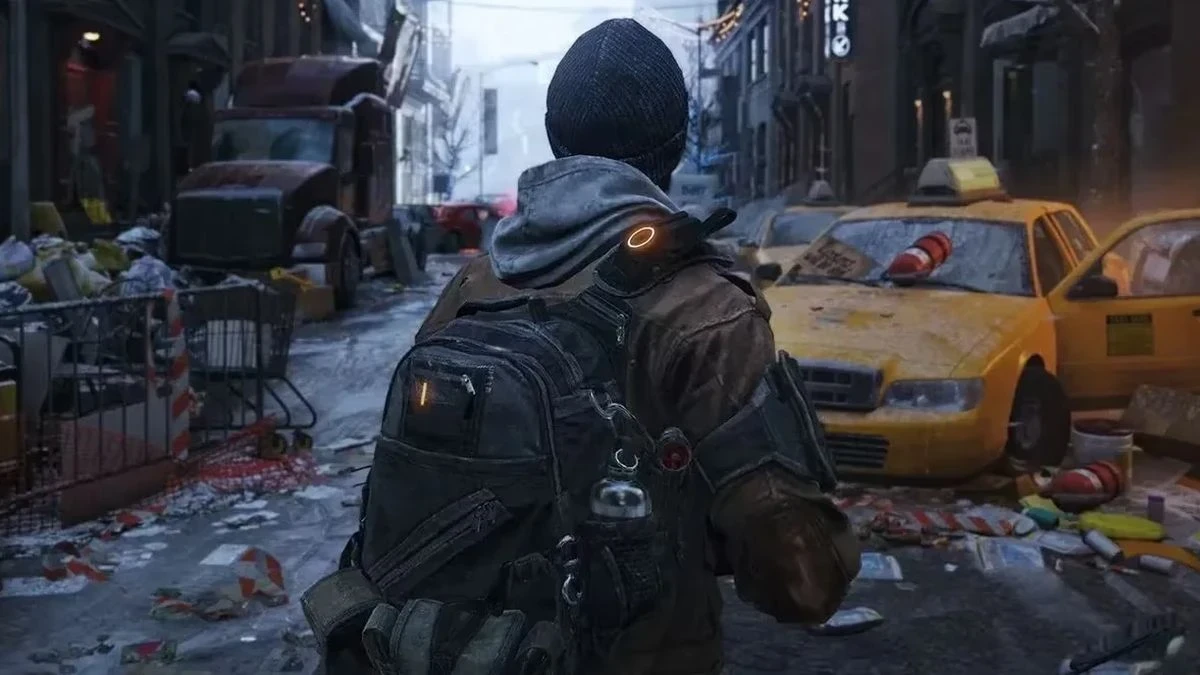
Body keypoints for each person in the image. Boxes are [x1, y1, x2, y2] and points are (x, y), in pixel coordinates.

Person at [413, 18, 860, 675]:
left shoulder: (474, 285)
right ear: (675, 147)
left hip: (460, 652)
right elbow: (802, 583)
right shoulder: (706, 309)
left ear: (554, 137)